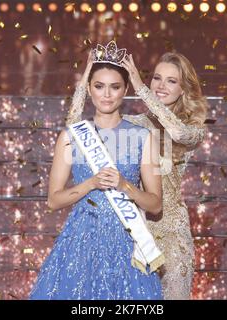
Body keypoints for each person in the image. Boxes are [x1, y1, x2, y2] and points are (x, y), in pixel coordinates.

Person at [66, 51, 208, 299]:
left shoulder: (193, 130)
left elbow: (176, 133)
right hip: (133, 232)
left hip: (173, 237)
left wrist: (142, 89)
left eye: (171, 81)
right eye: (156, 78)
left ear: (184, 89)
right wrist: (86, 81)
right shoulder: (135, 124)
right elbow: (75, 130)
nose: (161, 86)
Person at [30, 41, 164, 300]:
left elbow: (156, 205)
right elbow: (53, 200)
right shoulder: (72, 136)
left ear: (125, 90)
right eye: (99, 86)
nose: (106, 94)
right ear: (88, 89)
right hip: (81, 241)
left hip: (127, 242)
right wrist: (90, 183)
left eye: (114, 87)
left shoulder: (142, 137)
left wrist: (125, 185)